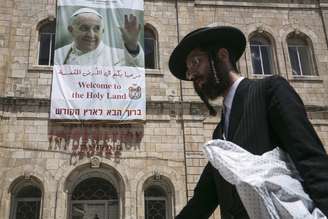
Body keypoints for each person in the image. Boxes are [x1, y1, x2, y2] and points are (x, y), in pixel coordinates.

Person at [168, 26, 328, 219]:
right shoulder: (219, 134)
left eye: (196, 62)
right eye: (188, 71)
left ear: (222, 55)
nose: (192, 75)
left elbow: (311, 162)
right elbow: (203, 200)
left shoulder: (269, 92)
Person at [54, 7, 144, 67]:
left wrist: (132, 46)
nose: (91, 35)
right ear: (71, 30)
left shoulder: (119, 57)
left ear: (103, 31)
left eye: (97, 29)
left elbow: (138, 69)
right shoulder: (58, 54)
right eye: (84, 28)